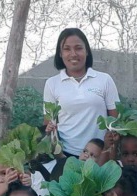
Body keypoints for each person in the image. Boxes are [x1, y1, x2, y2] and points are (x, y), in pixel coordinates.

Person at [43, 28, 120, 157]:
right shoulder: (52, 84)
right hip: (66, 156)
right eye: (67, 49)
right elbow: (48, 123)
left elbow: (115, 122)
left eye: (78, 48)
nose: (73, 54)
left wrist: (108, 152)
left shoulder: (104, 80)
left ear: (87, 51)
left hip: (99, 155)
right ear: (60, 53)